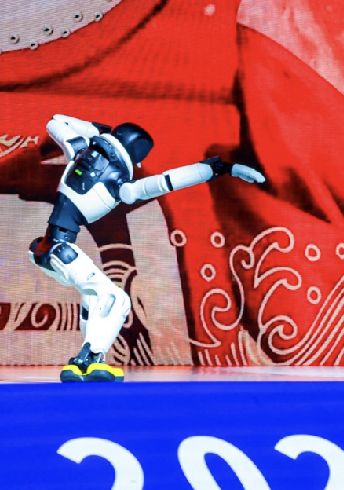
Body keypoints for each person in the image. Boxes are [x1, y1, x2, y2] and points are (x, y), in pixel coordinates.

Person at [30, 115, 265, 381]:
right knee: (117, 299)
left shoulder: (78, 150)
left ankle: (89, 363)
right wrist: (218, 168)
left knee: (94, 297)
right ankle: (86, 360)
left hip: (46, 247)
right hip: (61, 250)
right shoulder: (119, 184)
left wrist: (97, 130)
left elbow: (56, 121)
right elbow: (168, 181)